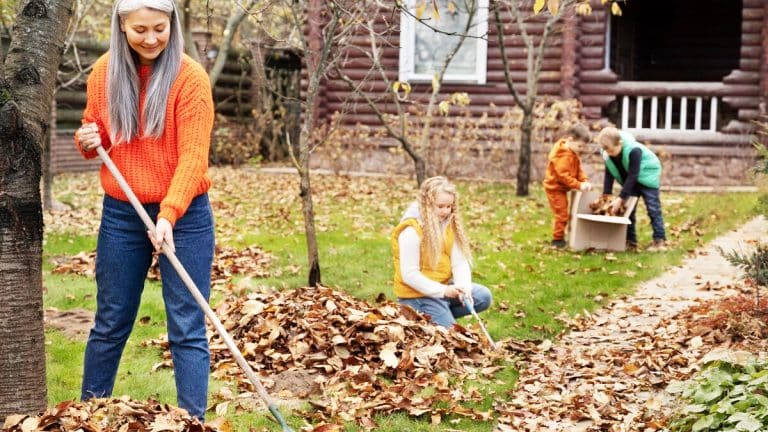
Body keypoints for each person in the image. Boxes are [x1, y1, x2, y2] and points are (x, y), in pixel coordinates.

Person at [74, 0, 215, 420]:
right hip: (122, 211)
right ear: (121, 27)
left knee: (187, 326)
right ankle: (86, 416)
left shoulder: (190, 79)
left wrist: (169, 214)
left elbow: (193, 158)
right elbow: (96, 134)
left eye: (160, 28)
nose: (151, 38)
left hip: (186, 213)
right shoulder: (104, 73)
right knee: (111, 321)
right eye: (140, 30)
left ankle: (193, 422)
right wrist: (89, 138)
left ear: (171, 23)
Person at [391, 176, 493, 328]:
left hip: (442, 287)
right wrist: (443, 291)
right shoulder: (411, 231)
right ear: (427, 204)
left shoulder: (447, 225)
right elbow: (409, 275)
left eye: (449, 206)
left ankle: (440, 314)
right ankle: (426, 315)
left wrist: (463, 289)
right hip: (417, 295)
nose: (446, 211)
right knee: (451, 337)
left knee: (483, 296)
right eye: (440, 206)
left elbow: (459, 262)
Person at [597, 127, 667, 251]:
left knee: (653, 208)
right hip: (630, 181)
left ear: (620, 144)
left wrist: (621, 198)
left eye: (612, 151)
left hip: (646, 176)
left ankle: (659, 240)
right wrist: (606, 194)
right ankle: (630, 241)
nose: (610, 154)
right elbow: (609, 173)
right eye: (607, 151)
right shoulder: (608, 152)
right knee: (628, 210)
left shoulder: (634, 150)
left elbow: (633, 175)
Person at [542, 123, 593, 249]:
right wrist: (579, 185)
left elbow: (578, 169)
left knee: (564, 213)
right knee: (562, 214)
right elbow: (563, 177)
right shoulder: (563, 155)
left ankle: (562, 236)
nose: (581, 149)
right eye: (580, 146)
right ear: (570, 139)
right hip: (555, 188)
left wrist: (584, 180)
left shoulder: (572, 151)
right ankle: (557, 240)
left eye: (583, 147)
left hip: (562, 188)